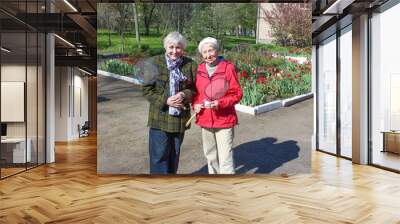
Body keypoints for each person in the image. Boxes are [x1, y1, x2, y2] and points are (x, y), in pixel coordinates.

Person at [142, 32, 197, 174]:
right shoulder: (154, 63)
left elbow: (195, 90)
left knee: (174, 156)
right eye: (171, 47)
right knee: (159, 157)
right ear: (165, 47)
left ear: (183, 48)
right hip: (159, 117)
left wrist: (184, 94)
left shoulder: (190, 65)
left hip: (179, 119)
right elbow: (147, 90)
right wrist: (166, 100)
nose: (174, 51)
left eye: (178, 47)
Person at [193, 37, 243, 174]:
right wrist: (195, 105)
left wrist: (219, 103)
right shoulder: (199, 69)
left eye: (211, 50)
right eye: (205, 52)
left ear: (217, 50)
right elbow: (196, 94)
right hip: (205, 119)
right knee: (210, 155)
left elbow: (237, 93)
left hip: (224, 119)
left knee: (225, 157)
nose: (208, 55)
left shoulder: (228, 67)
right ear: (201, 54)